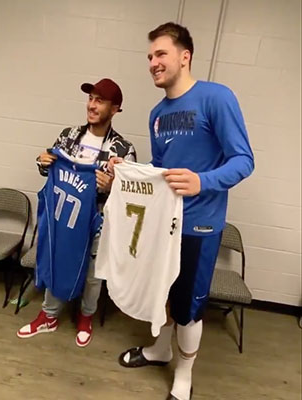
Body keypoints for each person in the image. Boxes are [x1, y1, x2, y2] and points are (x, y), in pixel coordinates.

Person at [111, 22, 254, 400]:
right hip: (164, 225)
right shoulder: (157, 114)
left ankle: (184, 376)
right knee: (163, 294)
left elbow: (244, 160)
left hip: (200, 227)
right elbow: (159, 174)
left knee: (189, 306)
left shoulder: (216, 98)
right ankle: (160, 350)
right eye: (149, 57)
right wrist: (123, 173)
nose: (153, 63)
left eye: (160, 54)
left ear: (184, 56)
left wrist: (202, 182)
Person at [17, 78, 137, 347]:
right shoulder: (68, 136)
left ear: (115, 108)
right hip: (65, 217)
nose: (92, 105)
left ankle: (86, 317)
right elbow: (51, 172)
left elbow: (130, 194)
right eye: (91, 98)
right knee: (58, 260)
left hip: (98, 222)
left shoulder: (123, 149)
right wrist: (43, 161)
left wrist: (113, 186)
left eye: (99, 100)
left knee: (94, 275)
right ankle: (49, 316)